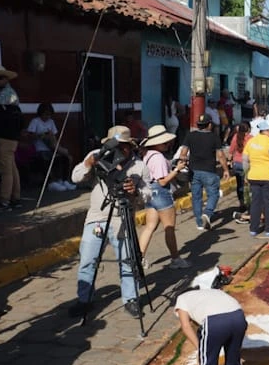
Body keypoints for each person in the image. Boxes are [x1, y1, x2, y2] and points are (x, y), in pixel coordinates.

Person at [68, 126, 152, 319]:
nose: (119, 150)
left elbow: (148, 194)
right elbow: (75, 177)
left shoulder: (139, 166)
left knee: (128, 261)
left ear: (129, 147)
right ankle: (84, 300)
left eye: (123, 146)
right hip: (97, 217)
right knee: (88, 259)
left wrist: (136, 192)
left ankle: (131, 299)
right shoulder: (98, 156)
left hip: (123, 219)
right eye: (115, 145)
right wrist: (88, 164)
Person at [175, 266, 247, 365]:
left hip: (215, 321)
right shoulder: (211, 292)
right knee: (234, 361)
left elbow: (186, 327)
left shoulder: (181, 299)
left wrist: (200, 349)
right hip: (239, 316)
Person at [138, 125, 190, 270]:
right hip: (161, 192)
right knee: (169, 228)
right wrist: (177, 170)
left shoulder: (147, 154)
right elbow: (163, 181)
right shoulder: (159, 158)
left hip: (149, 192)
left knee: (149, 227)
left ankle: (139, 257)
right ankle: (175, 258)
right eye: (165, 142)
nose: (167, 144)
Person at [179, 114, 229, 230]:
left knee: (196, 197)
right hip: (209, 171)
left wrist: (183, 161)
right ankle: (207, 212)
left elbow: (183, 152)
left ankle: (199, 223)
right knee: (213, 194)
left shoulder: (190, 135)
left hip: (193, 171)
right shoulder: (214, 137)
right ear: (210, 124)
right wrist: (226, 170)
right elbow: (220, 155)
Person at [0, 64, 23, 210]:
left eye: (0, 77)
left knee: (5, 170)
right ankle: (15, 197)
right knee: (12, 168)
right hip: (11, 138)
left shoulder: (3, 96)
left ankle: (4, 200)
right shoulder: (10, 94)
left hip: (2, 138)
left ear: (6, 79)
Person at [243, 117, 269, 237]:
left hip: (254, 176)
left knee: (256, 202)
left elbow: (245, 160)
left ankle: (253, 229)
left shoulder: (251, 142)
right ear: (265, 131)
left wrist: (246, 173)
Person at [27, 102, 75, 191]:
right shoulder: (35, 121)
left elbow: (55, 137)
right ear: (41, 113)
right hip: (39, 149)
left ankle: (63, 180)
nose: (47, 117)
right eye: (45, 114)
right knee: (45, 158)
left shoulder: (51, 122)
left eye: (49, 115)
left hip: (51, 148)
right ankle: (50, 182)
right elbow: (30, 136)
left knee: (65, 158)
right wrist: (40, 135)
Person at [227, 121, 252, 214]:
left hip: (237, 164)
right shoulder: (251, 138)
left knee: (240, 185)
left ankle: (241, 204)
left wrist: (229, 162)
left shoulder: (235, 137)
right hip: (246, 164)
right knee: (248, 186)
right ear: (248, 129)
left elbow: (230, 151)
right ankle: (249, 204)